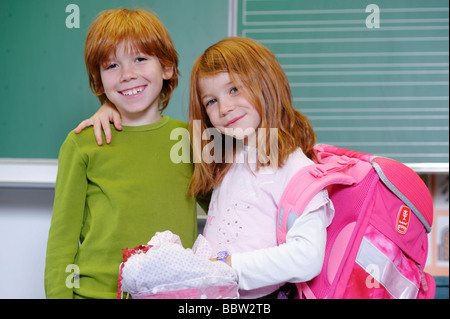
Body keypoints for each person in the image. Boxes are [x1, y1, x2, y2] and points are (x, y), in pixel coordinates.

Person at [77, 37, 334, 299]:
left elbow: (306, 258)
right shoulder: (226, 158)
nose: (224, 107)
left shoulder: (298, 171)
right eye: (211, 101)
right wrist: (110, 106)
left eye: (234, 89)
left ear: (267, 84)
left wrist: (224, 266)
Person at [45, 8, 198, 299]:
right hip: (95, 294)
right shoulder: (83, 143)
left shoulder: (191, 139)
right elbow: (61, 241)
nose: (127, 75)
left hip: (177, 295)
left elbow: (230, 204)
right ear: (99, 79)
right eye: (112, 66)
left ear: (166, 67)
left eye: (140, 59)